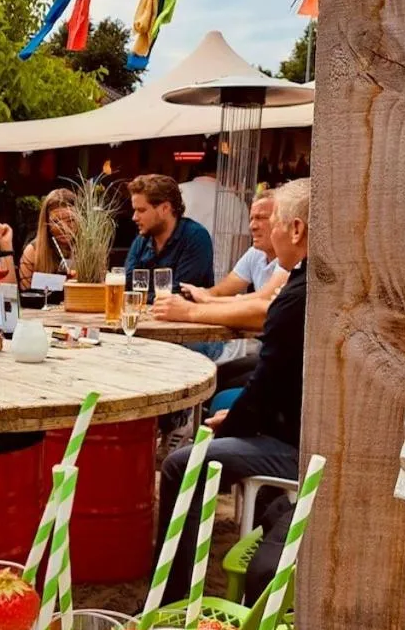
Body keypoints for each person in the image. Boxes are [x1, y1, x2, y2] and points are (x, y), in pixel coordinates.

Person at [154, 178, 310, 606]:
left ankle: (169, 599)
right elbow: (274, 378)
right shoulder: (311, 281)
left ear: (295, 230)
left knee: (180, 465)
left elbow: (268, 383)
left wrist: (235, 421)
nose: (265, 229)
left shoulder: (298, 295)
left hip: (301, 447)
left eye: (273, 220)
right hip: (300, 430)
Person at [154, 190, 288, 332]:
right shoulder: (256, 252)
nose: (252, 226)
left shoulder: (292, 258)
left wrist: (198, 305)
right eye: (252, 219)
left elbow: (263, 301)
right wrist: (201, 294)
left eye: (261, 218)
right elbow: (220, 291)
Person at [125, 174, 213, 300]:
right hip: (146, 316)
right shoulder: (142, 240)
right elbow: (127, 286)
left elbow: (179, 294)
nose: (134, 217)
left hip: (182, 318)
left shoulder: (195, 237)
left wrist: (140, 298)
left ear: (165, 208)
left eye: (141, 210)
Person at [179, 140, 248, 243]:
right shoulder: (236, 202)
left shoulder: (178, 191)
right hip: (219, 258)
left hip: (179, 257)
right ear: (225, 172)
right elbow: (241, 243)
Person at [19, 189, 76, 290]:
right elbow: (26, 295)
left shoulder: (91, 252)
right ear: (46, 223)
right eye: (56, 221)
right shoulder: (33, 252)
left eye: (70, 220)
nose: (64, 228)